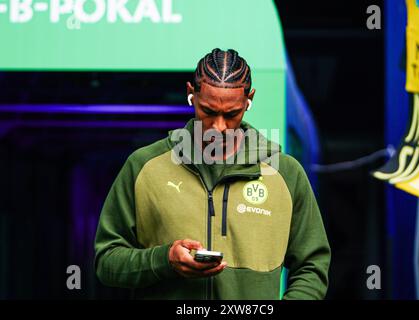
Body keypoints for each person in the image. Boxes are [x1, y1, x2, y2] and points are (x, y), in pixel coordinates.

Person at [94, 48, 331, 299]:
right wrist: (164, 260)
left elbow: (312, 267)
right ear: (191, 95)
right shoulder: (144, 166)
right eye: (208, 111)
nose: (219, 127)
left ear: (248, 100)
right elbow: (106, 261)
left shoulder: (285, 173)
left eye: (231, 114)